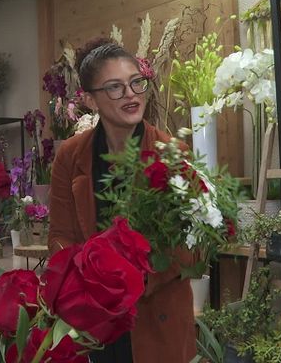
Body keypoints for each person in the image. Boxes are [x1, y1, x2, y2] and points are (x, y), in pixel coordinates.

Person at [48, 39, 197, 363]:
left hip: (156, 321)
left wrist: (141, 280)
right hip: (96, 319)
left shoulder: (173, 154)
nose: (131, 94)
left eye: (135, 82)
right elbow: (60, 236)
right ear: (89, 99)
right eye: (114, 87)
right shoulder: (70, 157)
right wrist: (86, 282)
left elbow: (192, 244)